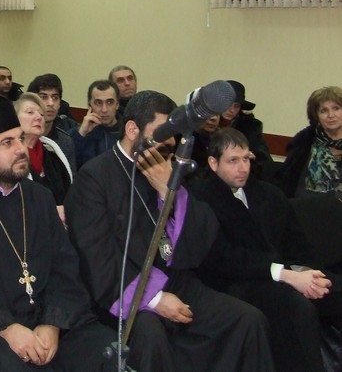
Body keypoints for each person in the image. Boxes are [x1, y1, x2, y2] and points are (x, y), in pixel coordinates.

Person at [65, 90, 273, 372]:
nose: (170, 144)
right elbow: (96, 257)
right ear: (132, 130)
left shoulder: (165, 168)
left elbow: (201, 236)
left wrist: (168, 190)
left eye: (172, 135)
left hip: (176, 280)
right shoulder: (93, 179)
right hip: (121, 290)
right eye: (161, 134)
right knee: (150, 334)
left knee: (247, 319)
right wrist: (154, 298)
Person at [0, 101, 116, 372]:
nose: (20, 149)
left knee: (109, 352)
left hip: (47, 318)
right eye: (7, 143)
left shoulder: (40, 198)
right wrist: (7, 328)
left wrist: (52, 323)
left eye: (20, 138)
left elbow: (65, 267)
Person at [192, 128, 340, 372]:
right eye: (233, 161)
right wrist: (285, 275)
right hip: (237, 282)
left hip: (284, 273)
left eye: (246, 159)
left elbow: (297, 243)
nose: (243, 168)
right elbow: (222, 258)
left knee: (332, 289)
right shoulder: (200, 199)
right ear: (213, 163)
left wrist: (306, 272)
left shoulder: (268, 194)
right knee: (296, 309)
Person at [279, 85, 342, 197]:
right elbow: (288, 184)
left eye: (336, 108)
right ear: (316, 116)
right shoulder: (303, 144)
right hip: (306, 204)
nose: (330, 115)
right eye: (323, 111)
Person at [15, 94, 73, 207]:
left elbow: (68, 194)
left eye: (41, 114)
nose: (39, 117)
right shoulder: (10, 158)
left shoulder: (54, 155)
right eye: (30, 112)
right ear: (15, 119)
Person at [219, 80, 272, 177]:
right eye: (228, 104)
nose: (231, 110)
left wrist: (252, 157)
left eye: (236, 106)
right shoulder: (207, 124)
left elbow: (264, 159)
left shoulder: (250, 127)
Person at [27, 74, 77, 170]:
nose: (51, 103)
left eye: (55, 97)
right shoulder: (17, 138)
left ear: (60, 104)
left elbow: (70, 177)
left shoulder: (66, 141)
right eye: (43, 97)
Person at [73, 80, 123, 168]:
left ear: (117, 104)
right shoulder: (79, 133)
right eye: (98, 103)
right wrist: (81, 134)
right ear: (90, 105)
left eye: (110, 102)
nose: (104, 110)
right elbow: (68, 164)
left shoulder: (128, 133)